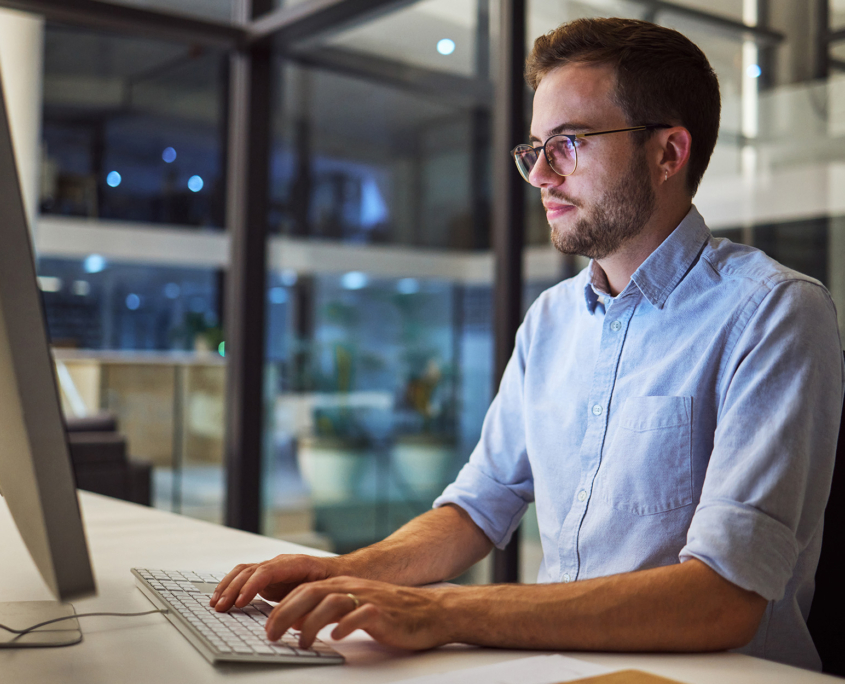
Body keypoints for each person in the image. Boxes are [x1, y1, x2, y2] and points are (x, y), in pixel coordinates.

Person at [211, 17, 844, 671]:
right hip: (557, 666)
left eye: (567, 144)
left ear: (667, 154)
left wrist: (442, 612)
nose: (539, 175)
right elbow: (475, 510)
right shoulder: (550, 319)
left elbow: (722, 598)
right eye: (534, 148)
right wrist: (340, 574)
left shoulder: (772, 312)